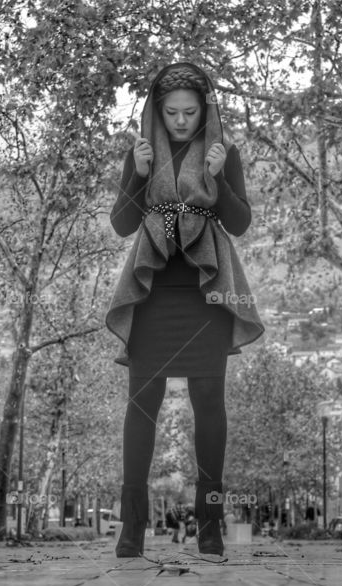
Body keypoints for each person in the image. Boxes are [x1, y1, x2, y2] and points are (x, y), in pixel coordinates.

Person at [106, 61, 265, 558]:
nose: (180, 121)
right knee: (141, 408)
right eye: (171, 112)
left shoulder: (224, 153)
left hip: (207, 295)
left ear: (205, 110)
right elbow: (122, 223)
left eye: (190, 112)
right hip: (151, 294)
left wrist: (217, 180)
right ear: (157, 109)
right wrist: (140, 172)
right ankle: (131, 530)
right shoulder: (141, 153)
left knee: (209, 408)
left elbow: (239, 224)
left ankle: (210, 528)